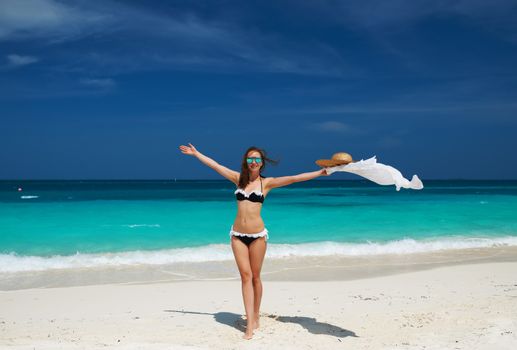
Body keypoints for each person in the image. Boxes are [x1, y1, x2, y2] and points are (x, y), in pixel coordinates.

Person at [179, 143, 329, 339]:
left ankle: (256, 315)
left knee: (256, 277)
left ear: (262, 163)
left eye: (257, 159)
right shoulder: (237, 179)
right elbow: (215, 166)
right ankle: (250, 323)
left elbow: (293, 178)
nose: (254, 162)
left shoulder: (266, 183)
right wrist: (197, 153)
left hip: (258, 236)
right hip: (237, 235)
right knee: (245, 276)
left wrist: (319, 173)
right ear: (246, 162)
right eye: (250, 159)